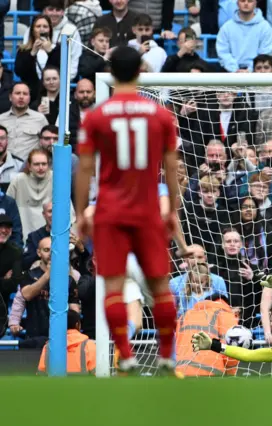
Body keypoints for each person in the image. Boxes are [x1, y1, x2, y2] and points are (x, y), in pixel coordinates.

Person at [74, 46, 187, 375]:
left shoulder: (96, 115)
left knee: (113, 286)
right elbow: (170, 166)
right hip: (148, 209)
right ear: (140, 70)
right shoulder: (161, 115)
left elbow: (84, 169)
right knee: (160, 285)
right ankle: (166, 356)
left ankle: (125, 356)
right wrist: (173, 210)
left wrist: (82, 213)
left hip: (110, 211)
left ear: (111, 71)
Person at [216, 0, 272, 73]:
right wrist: (234, 70)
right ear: (237, 3)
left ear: (255, 3)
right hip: (231, 75)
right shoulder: (226, 28)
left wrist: (250, 70)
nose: (246, 3)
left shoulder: (265, 27)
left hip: (257, 74)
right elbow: (223, 52)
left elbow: (265, 52)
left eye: (250, 1)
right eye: (242, 0)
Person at [37, 310, 96, 375]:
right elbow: (95, 373)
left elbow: (41, 374)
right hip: (82, 384)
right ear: (77, 325)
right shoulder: (89, 345)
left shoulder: (48, 347)